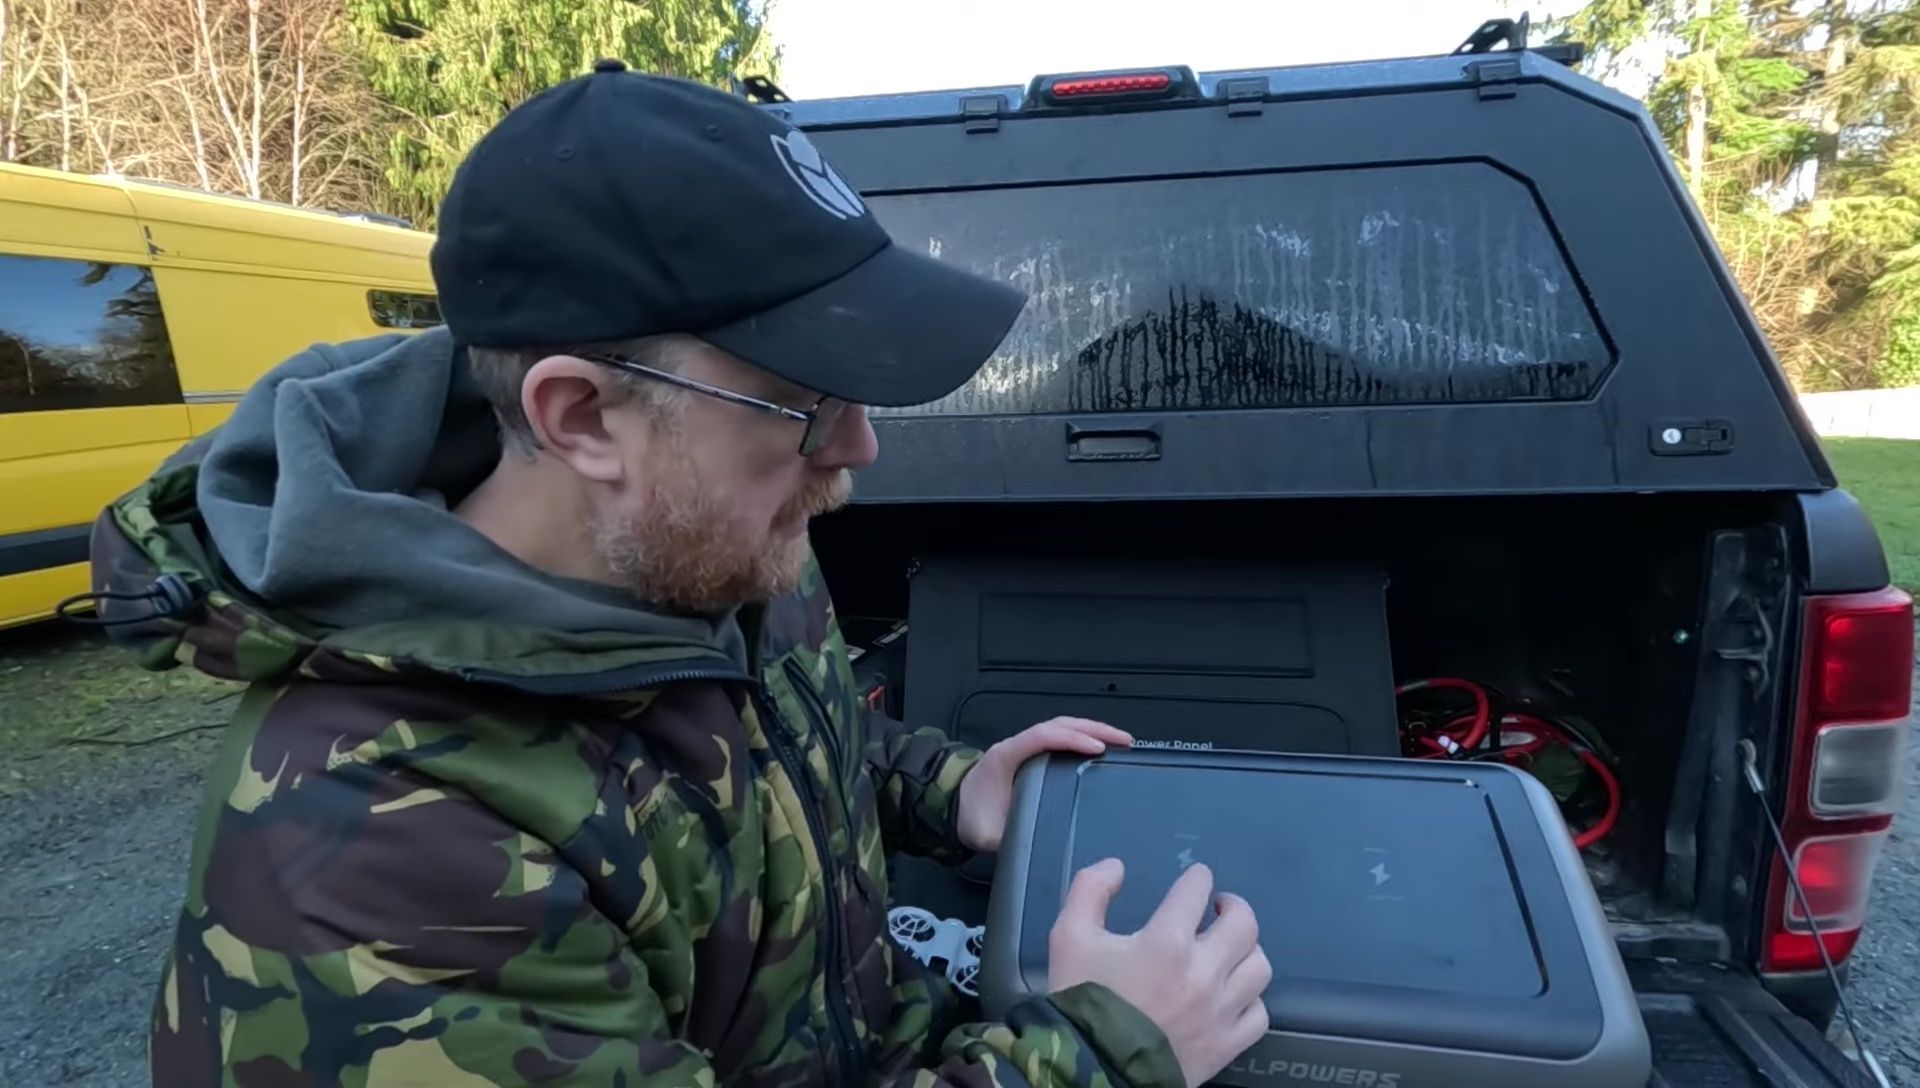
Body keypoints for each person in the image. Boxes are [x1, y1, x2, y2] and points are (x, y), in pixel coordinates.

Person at [90, 61, 1271, 1088]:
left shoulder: (713, 543)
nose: (857, 447)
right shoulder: (381, 847)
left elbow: (771, 742)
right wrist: (1103, 1050)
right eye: (805, 401)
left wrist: (948, 791)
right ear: (582, 417)